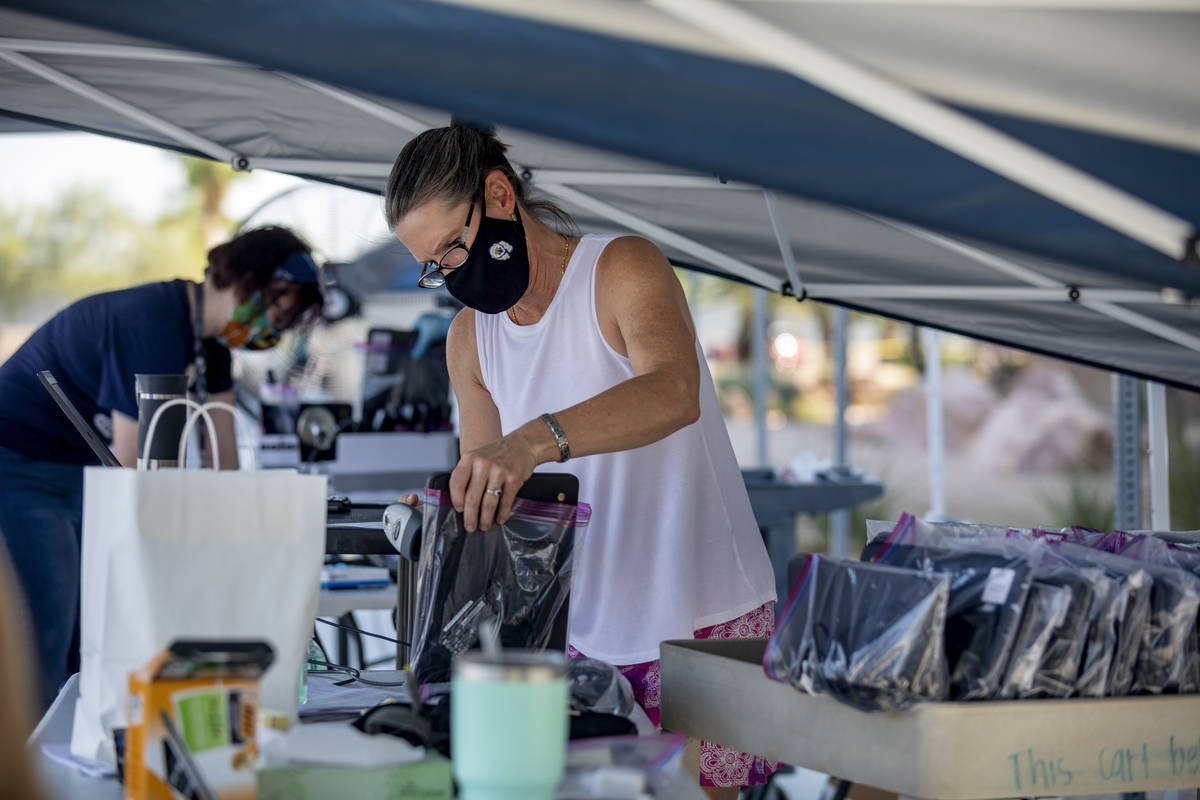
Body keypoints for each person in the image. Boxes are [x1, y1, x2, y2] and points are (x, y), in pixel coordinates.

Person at [386, 125, 778, 796]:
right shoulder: (469, 339)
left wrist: (531, 442)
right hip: (573, 631)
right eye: (436, 267)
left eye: (451, 248)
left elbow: (673, 392)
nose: (450, 275)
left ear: (500, 195)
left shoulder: (620, 267)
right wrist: (444, 508)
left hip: (703, 612)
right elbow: (492, 495)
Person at [0, 225, 324, 712]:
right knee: (53, 624)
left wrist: (242, 539)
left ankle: (82, 753)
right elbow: (136, 475)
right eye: (277, 308)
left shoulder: (210, 346)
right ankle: (34, 771)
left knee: (92, 627)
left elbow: (223, 458)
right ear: (248, 281)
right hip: (18, 461)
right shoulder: (153, 322)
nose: (273, 328)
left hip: (77, 466)